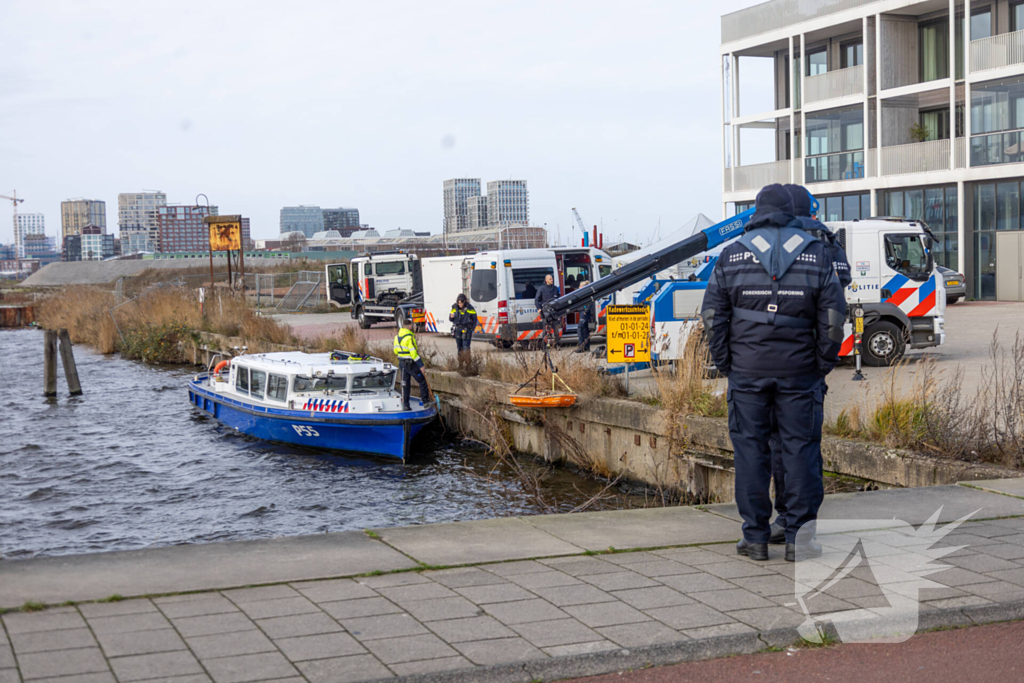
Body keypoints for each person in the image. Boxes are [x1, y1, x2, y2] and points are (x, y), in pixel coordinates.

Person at [700, 183, 846, 562]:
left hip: (747, 372)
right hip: (800, 372)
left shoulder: (732, 254)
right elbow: (833, 318)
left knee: (750, 451)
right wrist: (821, 363)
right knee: (801, 450)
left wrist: (727, 363)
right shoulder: (816, 252)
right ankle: (800, 540)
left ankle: (755, 538)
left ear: (757, 212)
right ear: (791, 212)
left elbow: (712, 315)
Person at [765, 184, 854, 545]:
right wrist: (823, 362)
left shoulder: (777, 240)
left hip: (773, 359)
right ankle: (802, 525)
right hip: (810, 362)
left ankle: (784, 517)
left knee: (778, 446)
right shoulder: (826, 240)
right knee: (805, 446)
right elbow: (838, 294)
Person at [393, 315, 430, 411]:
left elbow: (395, 351)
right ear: (409, 326)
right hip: (411, 364)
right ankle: (425, 402)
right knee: (422, 381)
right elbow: (414, 353)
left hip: (402, 363)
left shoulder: (397, 337)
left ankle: (406, 405)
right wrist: (421, 365)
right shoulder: (409, 338)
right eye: (412, 325)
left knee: (405, 384)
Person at [449, 293, 477, 374]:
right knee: (459, 348)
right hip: (458, 329)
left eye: (461, 303)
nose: (460, 304)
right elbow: (450, 318)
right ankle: (460, 365)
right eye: (458, 303)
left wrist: (471, 329)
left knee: (466, 348)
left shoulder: (470, 308)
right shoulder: (454, 308)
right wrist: (451, 317)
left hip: (466, 329)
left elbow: (474, 319)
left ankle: (468, 365)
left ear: (464, 301)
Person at [535, 274, 561, 349]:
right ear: (546, 280)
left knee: (556, 329)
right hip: (545, 312)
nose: (552, 280)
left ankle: (557, 344)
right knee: (545, 329)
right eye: (550, 279)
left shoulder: (555, 288)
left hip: (554, 312)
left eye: (552, 279)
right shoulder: (541, 289)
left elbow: (559, 299)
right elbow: (537, 300)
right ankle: (544, 345)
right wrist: (539, 308)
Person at [575, 280, 593, 353]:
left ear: (583, 287)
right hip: (582, 312)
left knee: (580, 328)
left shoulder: (586, 294)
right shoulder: (583, 293)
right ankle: (586, 346)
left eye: (580, 286)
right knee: (585, 330)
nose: (579, 287)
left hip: (584, 313)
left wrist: (585, 311)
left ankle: (581, 347)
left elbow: (590, 303)